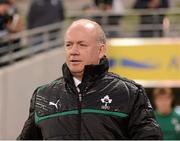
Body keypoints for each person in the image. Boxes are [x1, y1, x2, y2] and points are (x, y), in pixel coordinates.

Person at [17, 19, 162, 140]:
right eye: (69, 44)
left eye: (82, 45)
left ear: (101, 50)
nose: (73, 51)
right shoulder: (43, 95)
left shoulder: (130, 93)